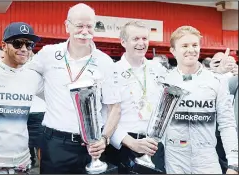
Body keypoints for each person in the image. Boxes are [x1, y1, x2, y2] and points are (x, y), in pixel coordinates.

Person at [26, 3, 121, 174]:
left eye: (89, 26)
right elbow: (27, 77)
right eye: (79, 26)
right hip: (55, 143)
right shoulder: (48, 54)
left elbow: (114, 107)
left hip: (91, 147)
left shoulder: (105, 61)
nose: (84, 31)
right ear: (67, 26)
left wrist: (105, 138)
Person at [164, 25, 238, 174]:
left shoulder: (217, 81)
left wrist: (234, 162)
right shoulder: (165, 80)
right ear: (173, 51)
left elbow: (227, 123)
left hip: (207, 157)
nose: (191, 50)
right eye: (184, 45)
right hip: (174, 157)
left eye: (194, 45)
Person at [103, 20, 168, 174]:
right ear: (123, 42)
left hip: (154, 146)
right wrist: (131, 142)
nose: (141, 43)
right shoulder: (112, 72)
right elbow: (106, 115)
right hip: (124, 147)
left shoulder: (158, 70)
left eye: (144, 39)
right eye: (135, 39)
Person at [0, 22, 43, 174]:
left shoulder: (34, 77)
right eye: (17, 43)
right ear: (4, 46)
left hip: (22, 164)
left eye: (29, 45)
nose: (23, 49)